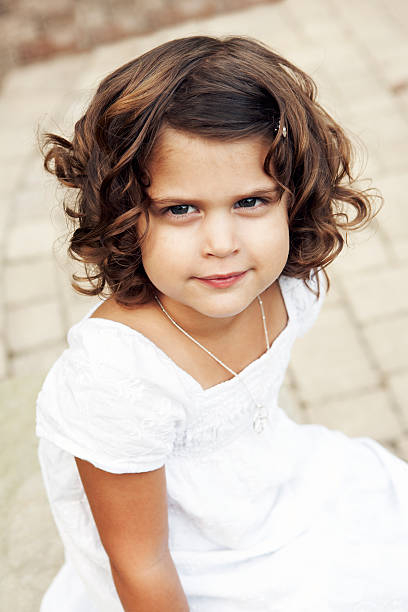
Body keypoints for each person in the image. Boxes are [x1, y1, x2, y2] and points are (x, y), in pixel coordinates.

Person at [36, 35, 408, 612]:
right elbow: (140, 562)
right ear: (124, 213)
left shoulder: (288, 287)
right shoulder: (117, 379)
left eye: (251, 202)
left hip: (267, 488)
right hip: (182, 560)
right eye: (180, 209)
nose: (222, 245)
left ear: (295, 197)